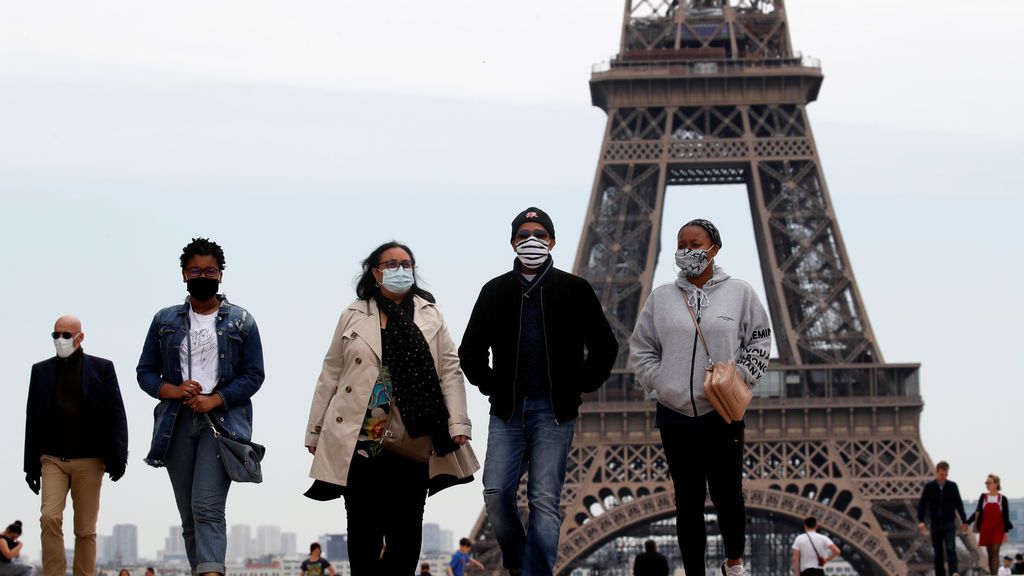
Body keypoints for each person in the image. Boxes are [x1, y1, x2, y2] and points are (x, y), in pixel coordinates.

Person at [459, 207, 618, 576]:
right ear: (513, 242)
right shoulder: (495, 291)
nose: (532, 240)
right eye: (524, 234)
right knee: (496, 494)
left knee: (545, 499)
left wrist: (578, 385)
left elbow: (605, 346)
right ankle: (519, 565)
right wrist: (493, 386)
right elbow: (470, 351)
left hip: (554, 410)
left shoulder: (575, 290)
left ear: (552, 242)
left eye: (540, 234)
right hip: (508, 410)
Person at [304, 241, 479, 575]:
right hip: (359, 440)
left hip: (413, 437)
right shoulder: (352, 314)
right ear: (375, 272)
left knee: (405, 538)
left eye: (406, 264)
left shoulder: (431, 315)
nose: (400, 270)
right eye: (391, 264)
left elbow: (450, 372)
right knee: (362, 537)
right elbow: (331, 373)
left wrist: (458, 424)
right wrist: (315, 429)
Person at [630, 218, 771, 576]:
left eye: (695, 244)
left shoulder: (740, 293)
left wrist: (738, 377)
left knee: (728, 494)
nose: (687, 251)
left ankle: (734, 564)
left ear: (714, 249)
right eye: (681, 245)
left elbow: (759, 338)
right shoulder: (661, 298)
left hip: (722, 408)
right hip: (676, 411)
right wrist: (662, 383)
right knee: (687, 500)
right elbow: (642, 346)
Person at [137, 238, 265, 576]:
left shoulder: (242, 321)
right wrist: (174, 390)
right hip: (175, 423)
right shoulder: (164, 320)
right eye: (195, 270)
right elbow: (145, 372)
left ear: (221, 275)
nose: (202, 276)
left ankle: (211, 573)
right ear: (183, 274)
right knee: (189, 515)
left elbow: (254, 375)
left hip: (221, 425)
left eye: (210, 271)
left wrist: (216, 398)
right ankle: (202, 570)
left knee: (206, 506)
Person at [25, 315, 128, 576]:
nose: (60, 340)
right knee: (49, 518)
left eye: (66, 335)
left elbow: (116, 413)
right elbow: (32, 419)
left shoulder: (102, 368)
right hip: (52, 460)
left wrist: (119, 456)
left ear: (80, 337)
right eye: (56, 335)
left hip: (90, 460)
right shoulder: (40, 371)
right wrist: (29, 466)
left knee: (85, 530)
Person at [917, 461, 969, 576]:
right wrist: (921, 521)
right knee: (938, 553)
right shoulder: (929, 487)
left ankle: (953, 572)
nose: (943, 477)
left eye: (945, 475)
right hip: (935, 524)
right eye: (941, 475)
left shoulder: (952, 486)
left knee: (951, 548)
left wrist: (964, 521)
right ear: (937, 472)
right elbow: (922, 504)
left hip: (949, 523)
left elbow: (959, 504)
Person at [966, 474, 1014, 575]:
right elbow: (977, 511)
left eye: (989, 482)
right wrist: (967, 522)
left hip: (998, 528)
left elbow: (1006, 516)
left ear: (996, 484)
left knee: (995, 550)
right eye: (986, 483)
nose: (987, 485)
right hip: (986, 528)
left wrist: (1006, 532)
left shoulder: (1002, 499)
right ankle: (992, 573)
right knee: (990, 553)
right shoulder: (983, 497)